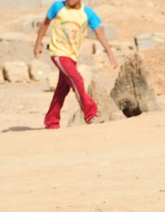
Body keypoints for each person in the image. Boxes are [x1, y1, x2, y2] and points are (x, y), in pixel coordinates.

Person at [33, 0, 118, 129]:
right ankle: (91, 115)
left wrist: (110, 53)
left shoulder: (87, 13)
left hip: (72, 56)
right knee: (77, 79)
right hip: (58, 53)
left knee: (62, 89)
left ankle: (51, 121)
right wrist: (38, 43)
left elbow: (99, 32)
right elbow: (46, 23)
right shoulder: (58, 6)